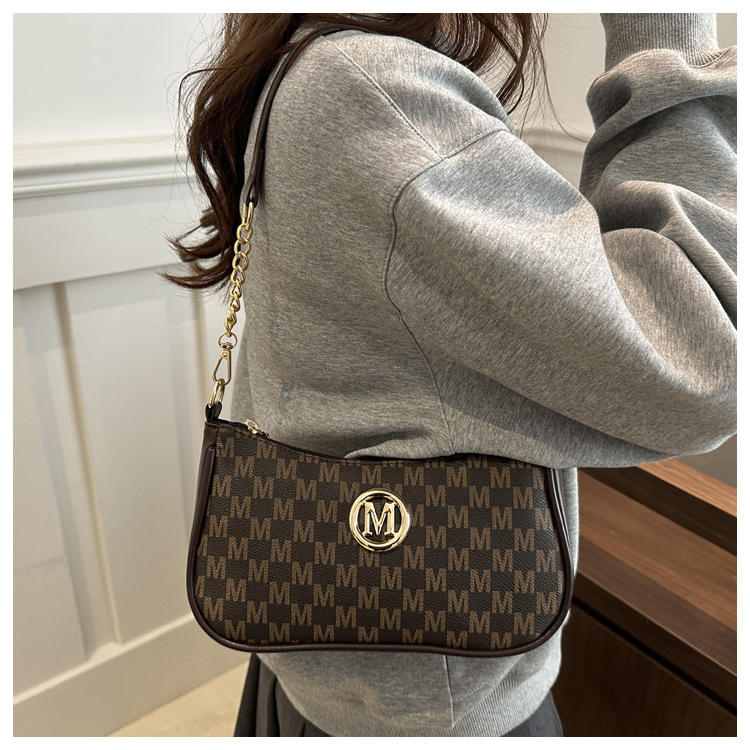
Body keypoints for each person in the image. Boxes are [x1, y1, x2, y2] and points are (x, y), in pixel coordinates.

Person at [169, 13, 736, 738]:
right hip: (433, 707)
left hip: (332, 670)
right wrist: (665, 30)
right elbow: (703, 363)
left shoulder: (302, 61)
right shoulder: (376, 89)